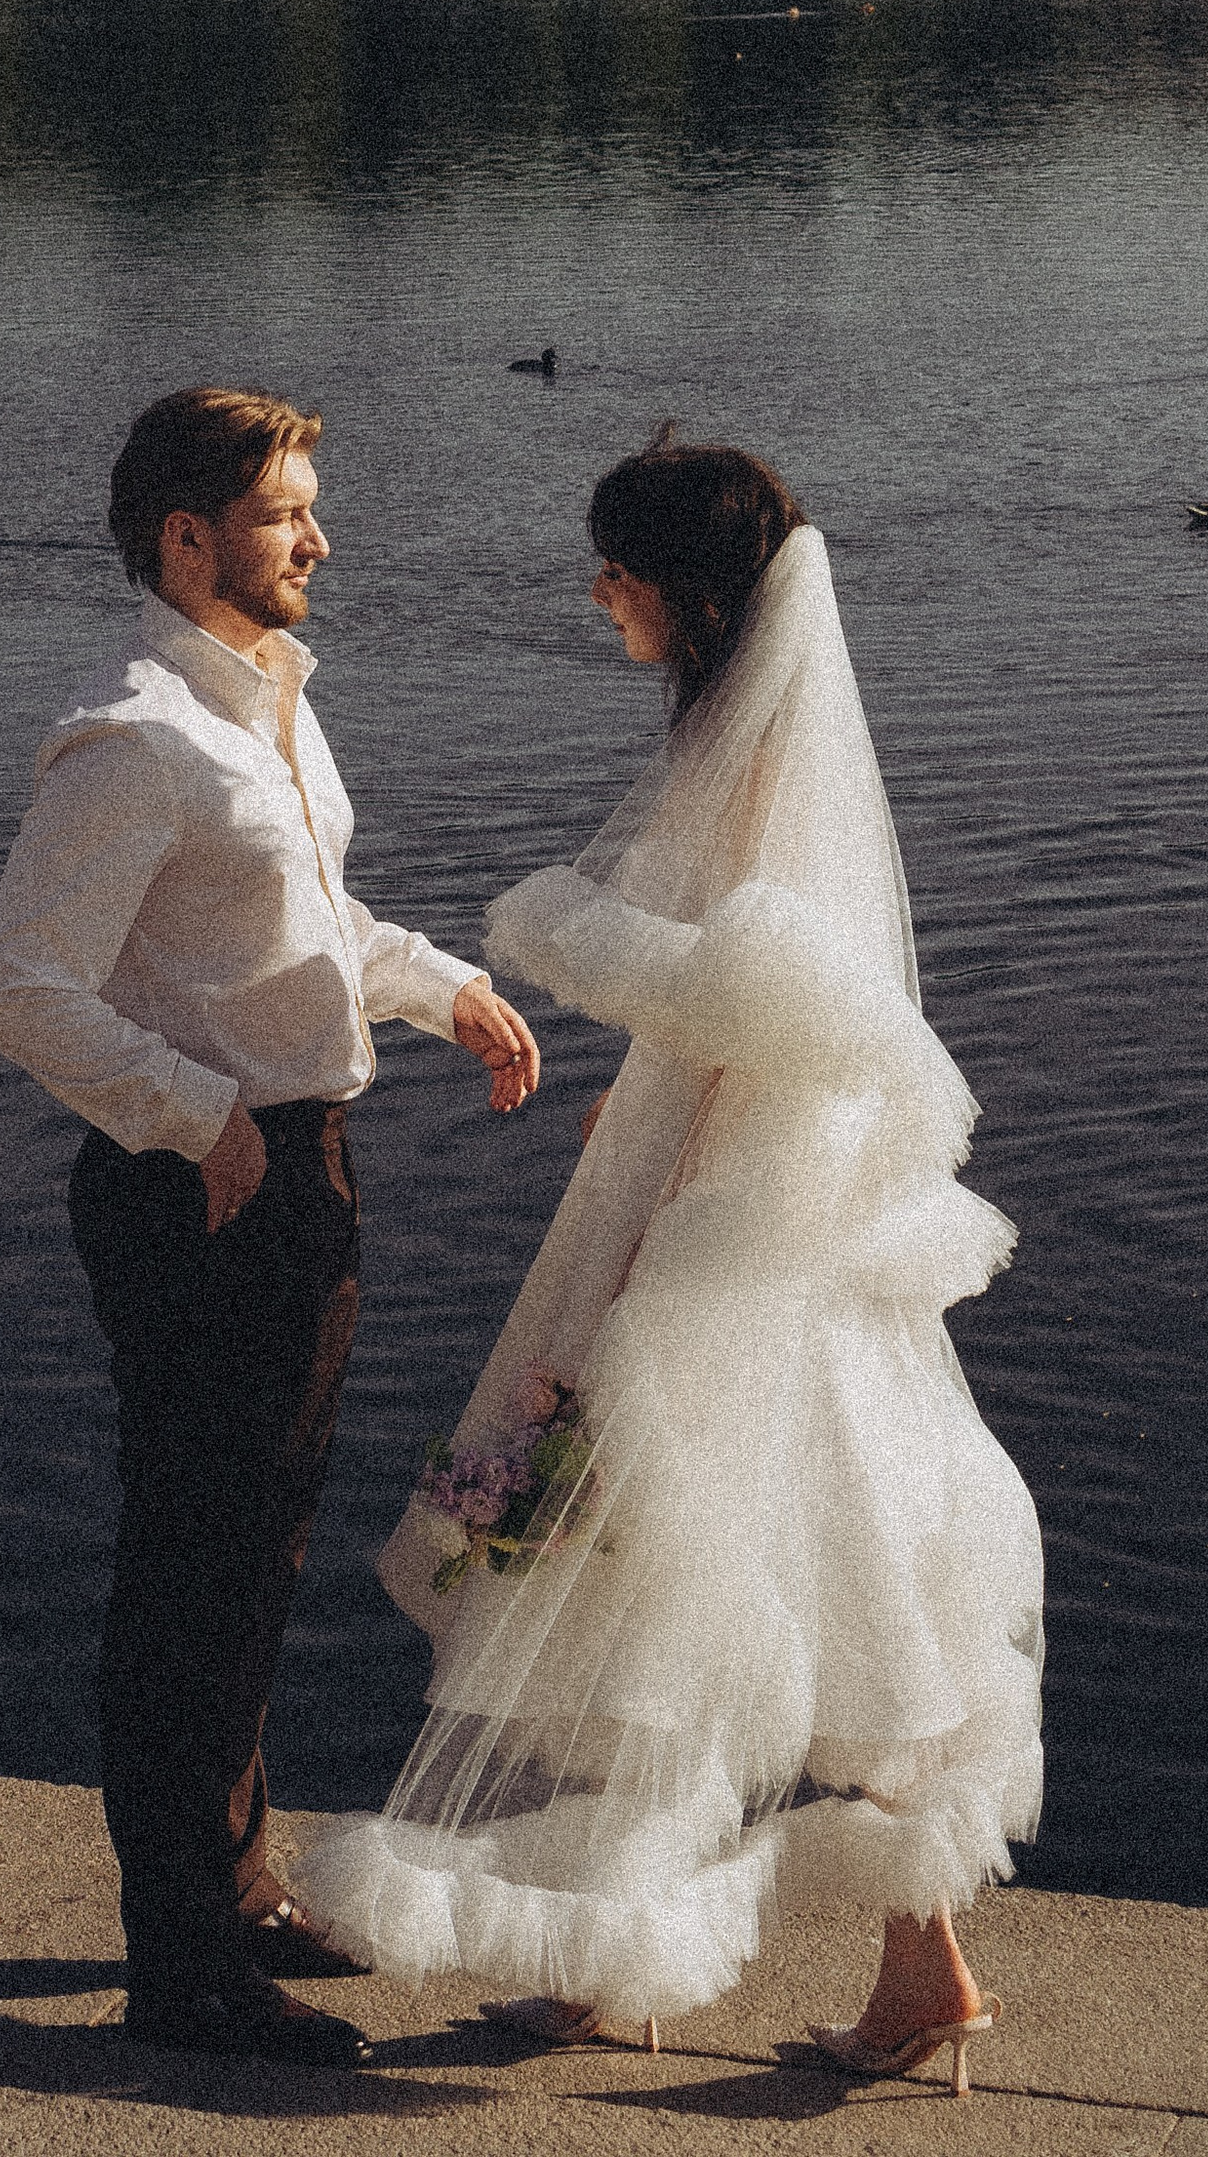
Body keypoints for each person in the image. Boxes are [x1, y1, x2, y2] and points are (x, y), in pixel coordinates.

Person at [294, 432, 1045, 2100]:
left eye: (618, 571)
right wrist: (641, 1110)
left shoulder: (763, 761)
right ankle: (807, 1968)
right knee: (779, 1585)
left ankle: (757, 1969)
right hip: (753, 1212)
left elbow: (777, 1012)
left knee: (682, 1581)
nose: (599, 595)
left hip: (731, 1236)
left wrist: (648, 1201)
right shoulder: (757, 740)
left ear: (687, 595)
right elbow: (742, 1015)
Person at [0, 385, 543, 2068]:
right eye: (287, 514)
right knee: (193, 1572)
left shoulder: (267, 701)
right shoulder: (137, 738)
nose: (320, 542)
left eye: (308, 508)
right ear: (186, 538)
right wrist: (194, 1111)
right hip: (199, 1187)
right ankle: (183, 1970)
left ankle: (237, 1894)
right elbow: (17, 987)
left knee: (256, 1557)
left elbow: (301, 922)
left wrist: (442, 988)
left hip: (294, 1170)